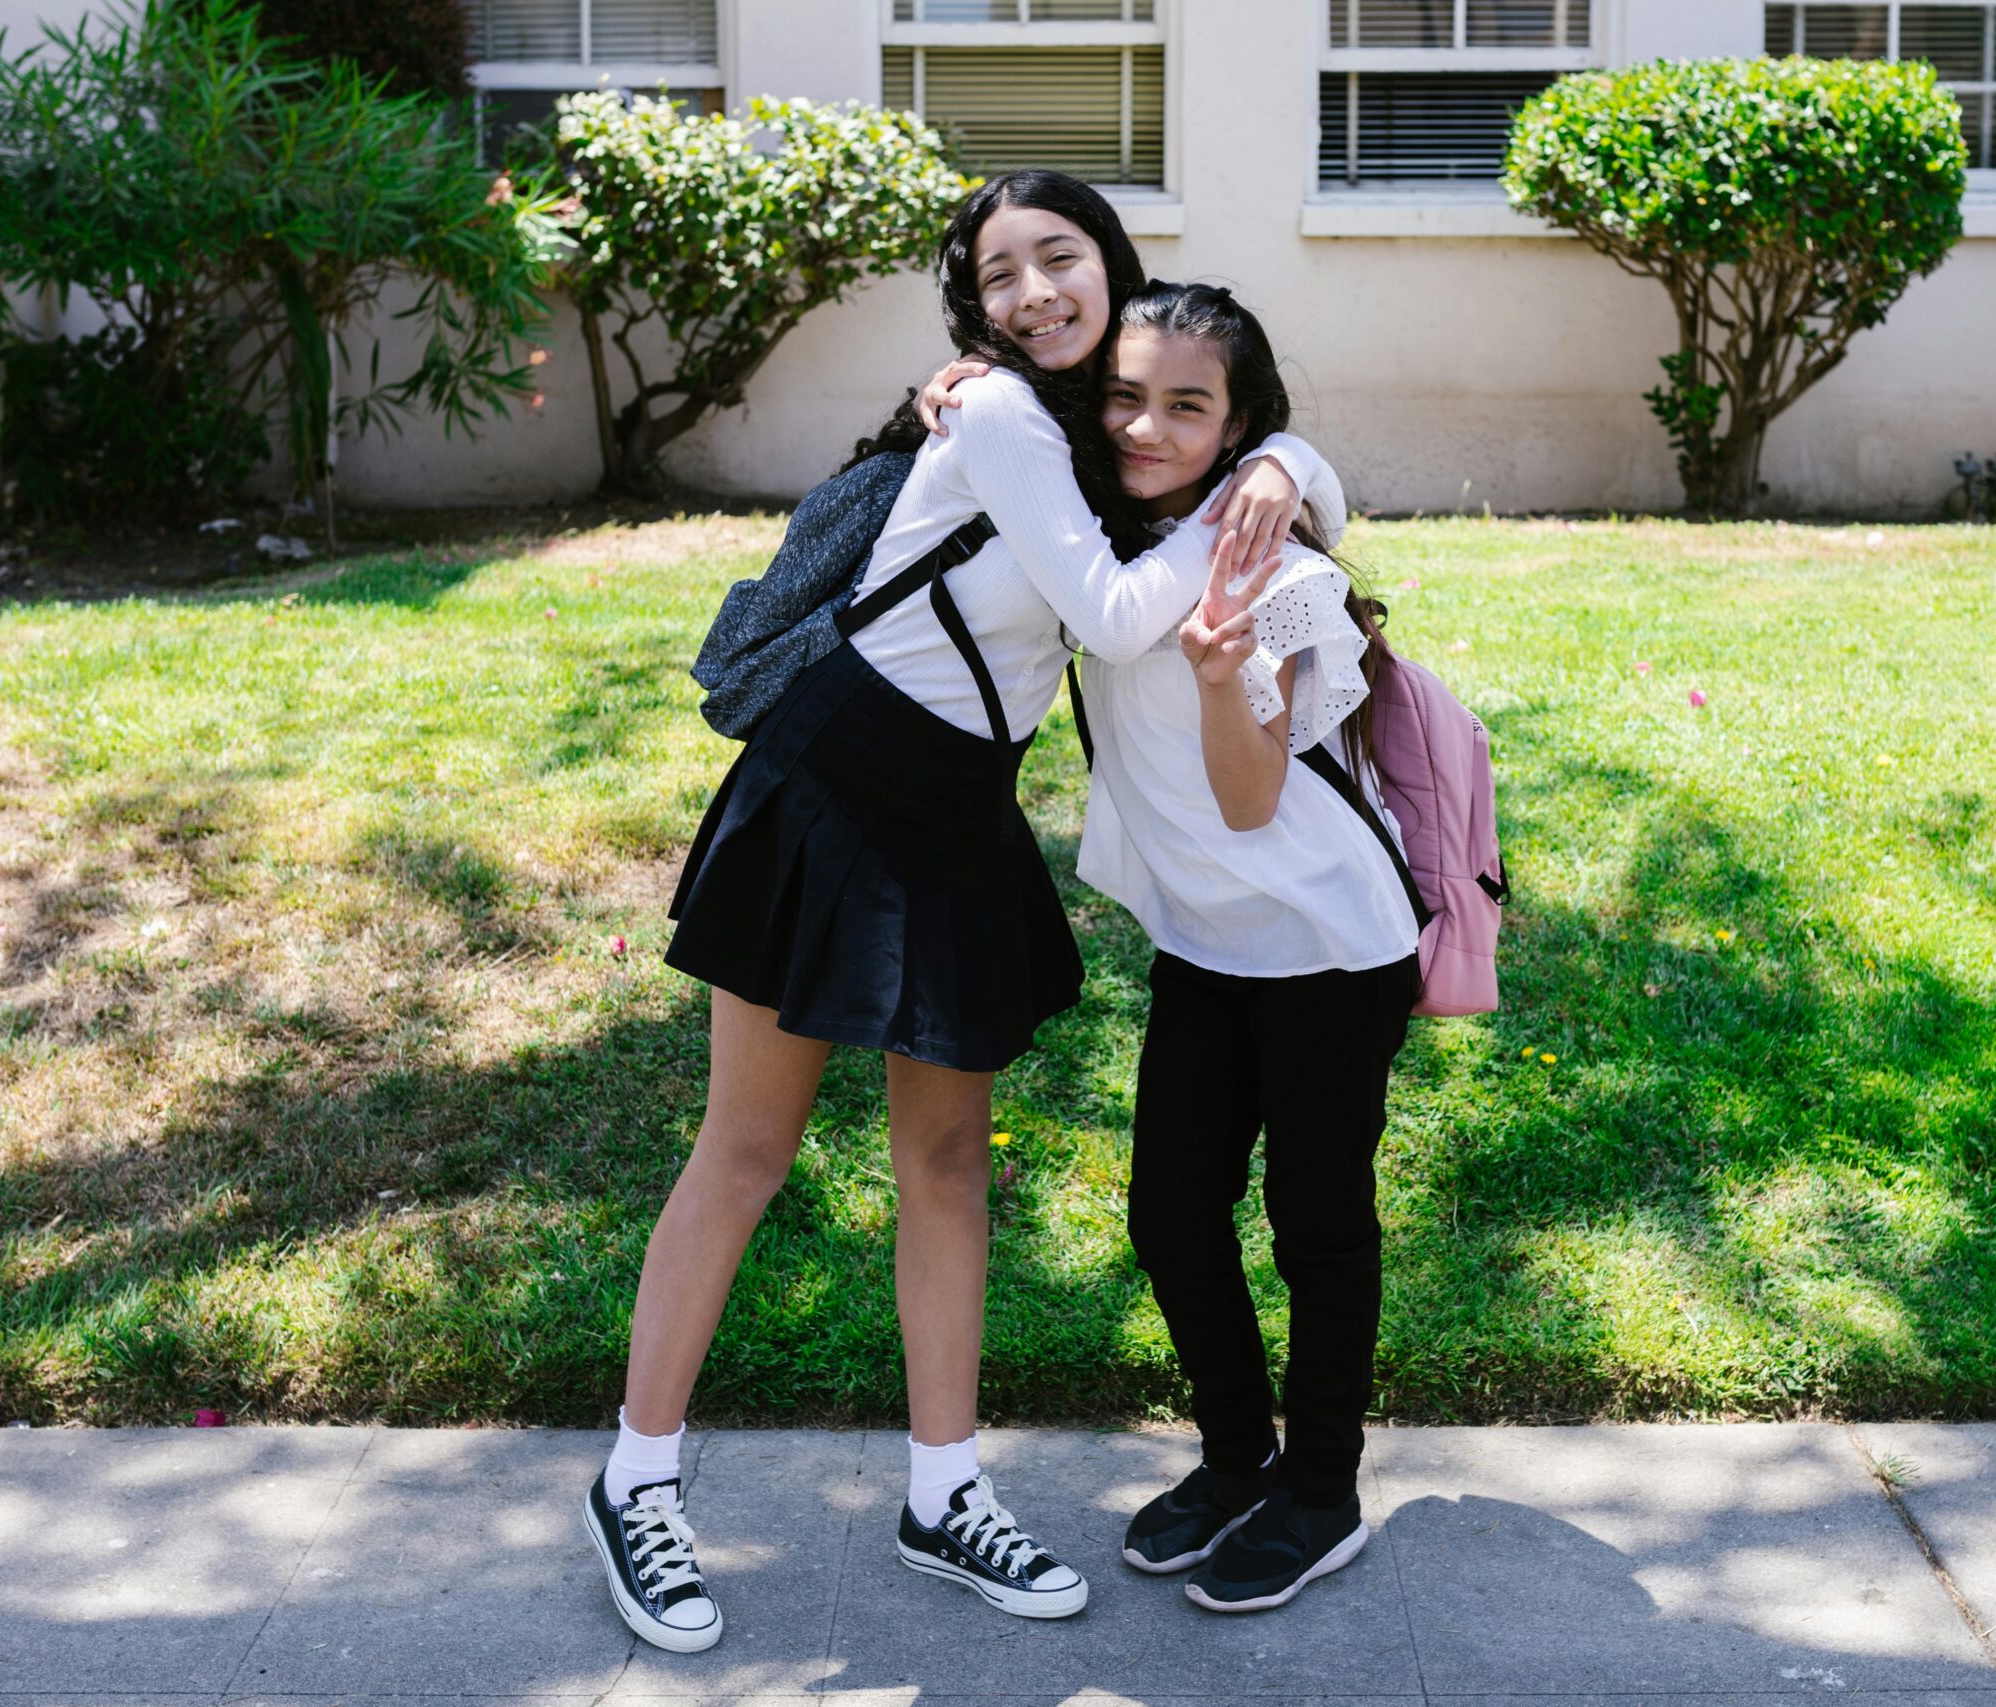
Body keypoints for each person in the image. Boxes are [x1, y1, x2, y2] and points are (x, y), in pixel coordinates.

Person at [583, 172, 1345, 1650]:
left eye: (1059, 259)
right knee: (746, 1148)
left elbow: (1222, 424)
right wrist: (1272, 484)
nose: (1032, 293)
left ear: (1115, 271)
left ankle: (944, 1494)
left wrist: (1288, 458)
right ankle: (638, 1483)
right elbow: (1126, 618)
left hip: (959, 812)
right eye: (998, 276)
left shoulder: (1101, 430)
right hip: (838, 779)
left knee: (944, 1163)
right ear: (972, 307)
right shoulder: (997, 415)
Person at [1072, 282, 1421, 1614]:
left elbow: (1251, 798)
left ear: (1238, 423)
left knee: (1315, 1225)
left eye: (1187, 405)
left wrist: (1223, 678)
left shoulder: (1279, 577)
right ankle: (1236, 1457)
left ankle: (1321, 1493)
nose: (1146, 425)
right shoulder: (1102, 542)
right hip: (1209, 948)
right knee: (1170, 1213)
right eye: (1125, 396)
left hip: (1327, 948)